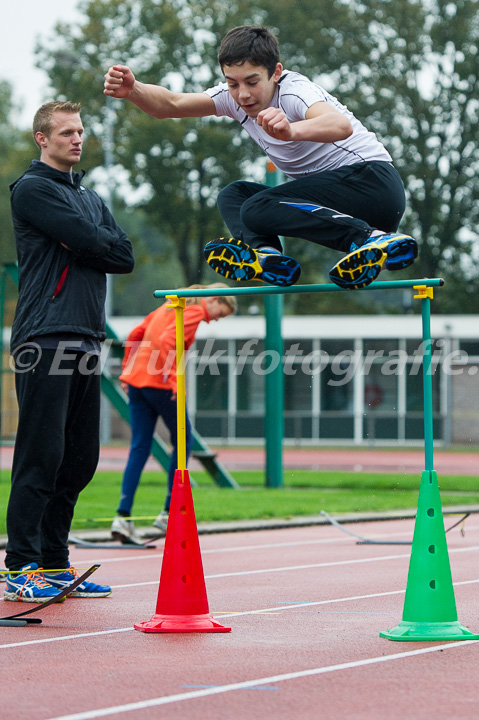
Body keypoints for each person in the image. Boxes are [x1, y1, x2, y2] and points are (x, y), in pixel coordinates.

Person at [104, 24, 417, 291]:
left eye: (252, 82)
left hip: (372, 184)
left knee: (257, 207)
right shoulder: (233, 100)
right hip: (339, 202)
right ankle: (266, 256)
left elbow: (339, 124)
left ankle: (370, 240)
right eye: (233, 83)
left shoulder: (294, 91)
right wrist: (135, 90)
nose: (243, 95)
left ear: (275, 73)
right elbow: (170, 104)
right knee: (236, 196)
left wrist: (292, 131)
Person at [4, 101, 135, 603]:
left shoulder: (91, 196)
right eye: (65, 132)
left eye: (80, 131)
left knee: (80, 459)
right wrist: (89, 241)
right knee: (42, 455)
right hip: (44, 337)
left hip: (85, 337)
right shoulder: (32, 190)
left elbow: (121, 256)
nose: (76, 139)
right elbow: (89, 240)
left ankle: (56, 563)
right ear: (43, 138)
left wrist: (88, 241)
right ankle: (20, 565)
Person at [110, 284, 236, 544]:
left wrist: (126, 368)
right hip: (159, 384)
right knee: (183, 441)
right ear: (213, 299)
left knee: (139, 447)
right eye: (220, 314)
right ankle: (168, 511)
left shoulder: (168, 305)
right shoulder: (194, 310)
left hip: (136, 382)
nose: (213, 320)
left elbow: (136, 333)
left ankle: (122, 517)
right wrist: (175, 381)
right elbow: (169, 340)